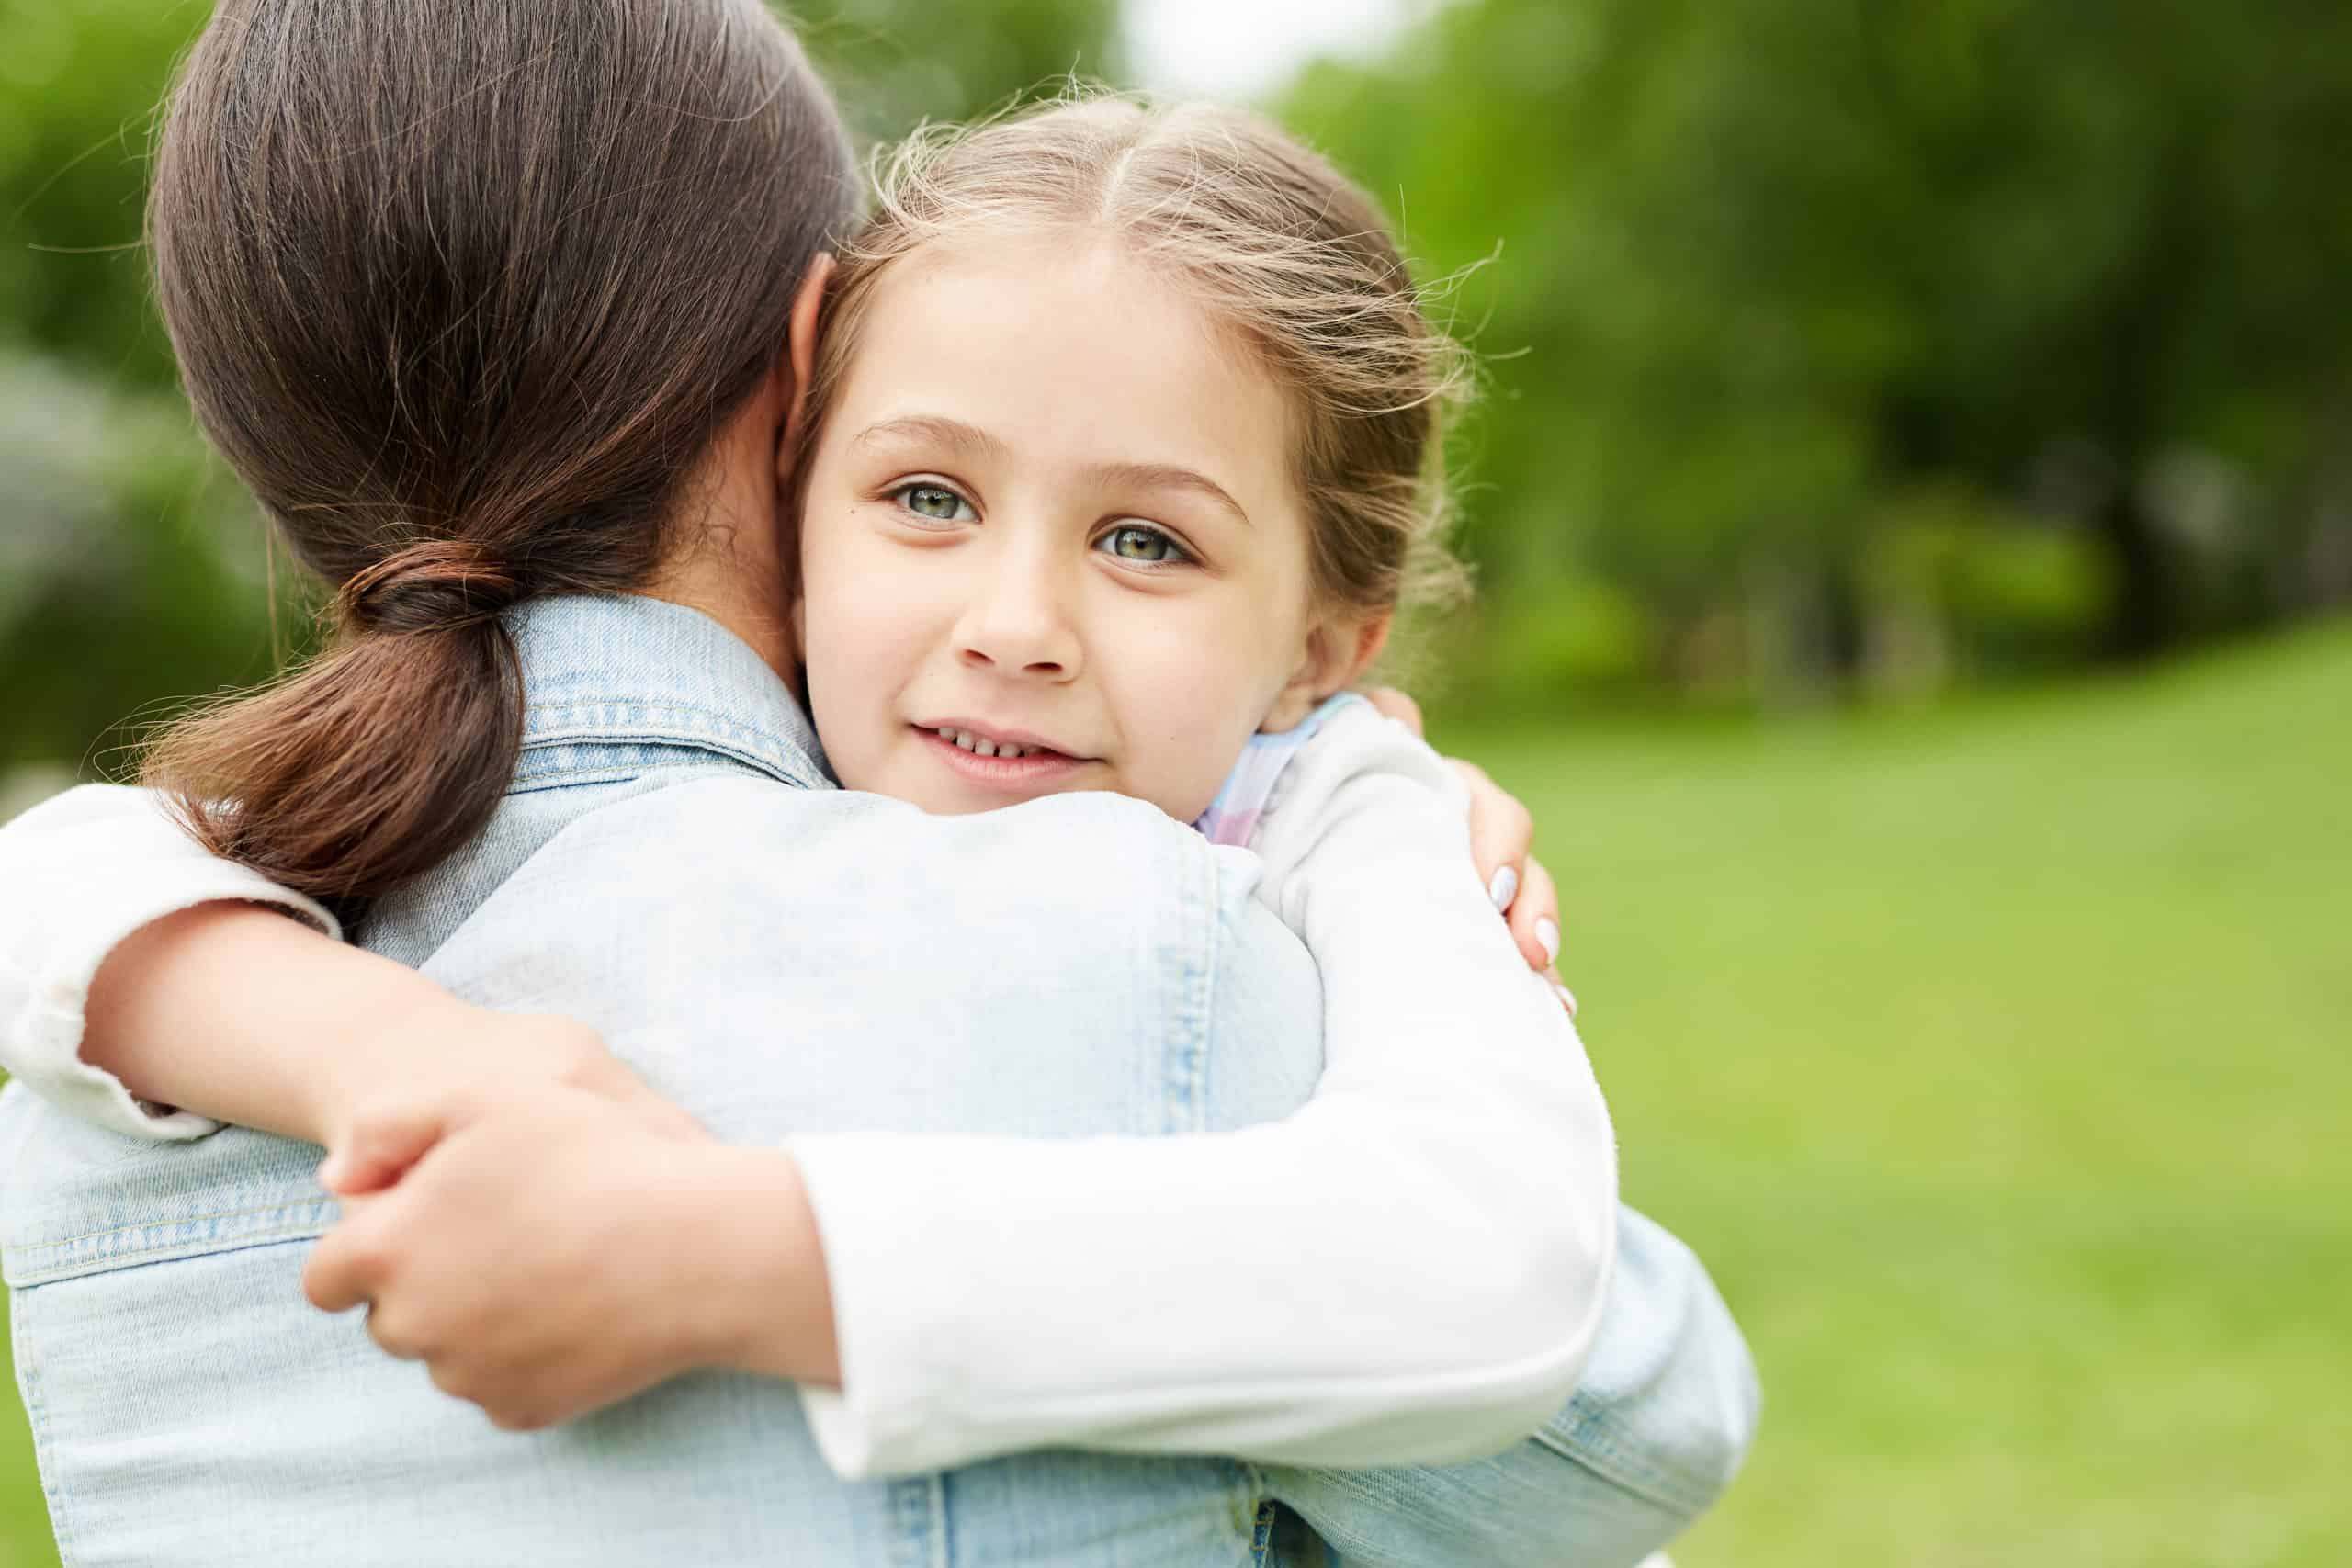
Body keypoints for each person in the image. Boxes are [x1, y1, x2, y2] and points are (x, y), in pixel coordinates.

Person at [0, 5, 1757, 1565]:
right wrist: (1368, 826)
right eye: (929, 496)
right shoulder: (1170, 968)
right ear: (803, 379)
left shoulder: (115, 1059)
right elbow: (1622, 1426)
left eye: (1144, 540)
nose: (1016, 624)